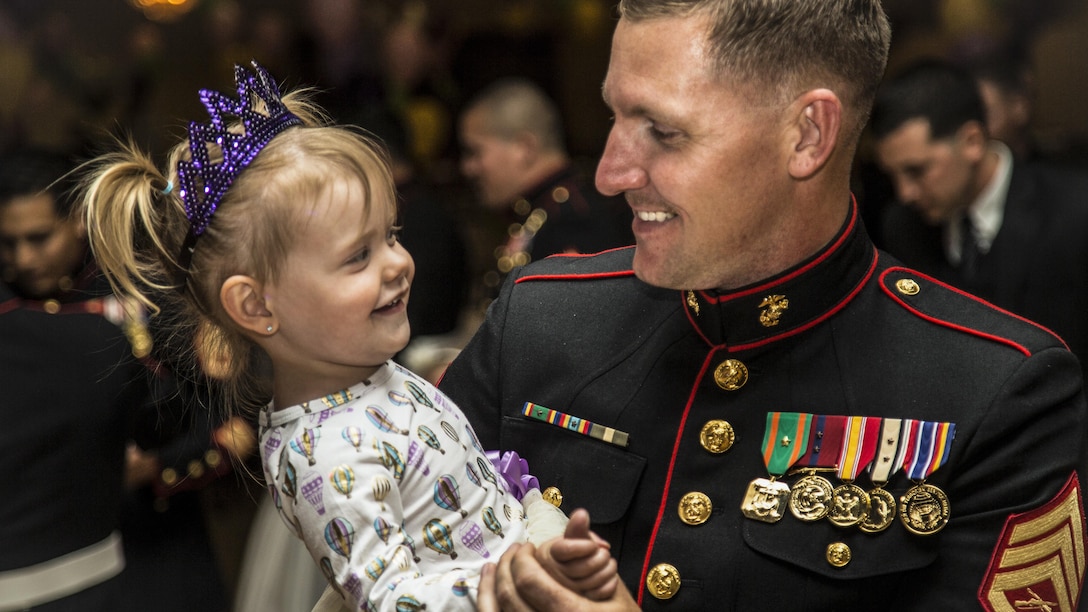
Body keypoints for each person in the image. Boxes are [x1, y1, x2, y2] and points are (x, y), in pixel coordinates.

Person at [438, 1, 1088, 610]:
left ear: (808, 135)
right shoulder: (539, 321)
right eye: (615, 117)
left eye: (663, 131)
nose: (611, 173)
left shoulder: (998, 394)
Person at [81, 61, 618, 612]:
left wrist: (540, 538)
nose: (398, 264)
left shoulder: (370, 375)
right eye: (358, 255)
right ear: (256, 305)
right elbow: (393, 600)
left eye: (391, 235)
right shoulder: (326, 454)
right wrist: (516, 581)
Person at [0, 149, 201, 611]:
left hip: (159, 532)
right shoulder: (8, 311)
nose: (23, 258)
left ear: (77, 220)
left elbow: (219, 414)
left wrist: (159, 466)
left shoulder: (140, 290)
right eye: (8, 244)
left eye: (38, 238)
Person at [871, 59, 1088, 381]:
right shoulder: (903, 226)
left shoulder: (1074, 212)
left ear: (972, 141)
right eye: (894, 175)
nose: (905, 193)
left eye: (917, 171)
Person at [459, 77, 631, 298]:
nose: (468, 168)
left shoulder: (574, 220)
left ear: (524, 148)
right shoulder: (543, 209)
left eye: (475, 152)